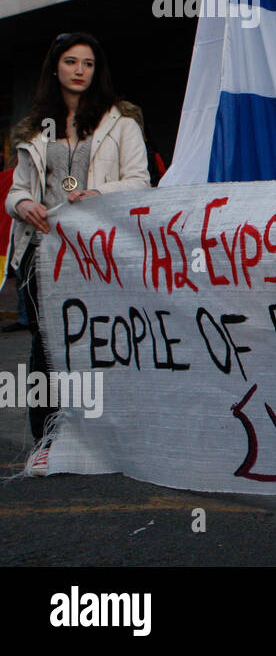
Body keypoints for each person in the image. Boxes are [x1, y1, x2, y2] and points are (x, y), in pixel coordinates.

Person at [4, 32, 150, 469]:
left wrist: (97, 192)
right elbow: (15, 192)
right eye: (71, 62)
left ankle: (106, 437)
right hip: (41, 251)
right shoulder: (34, 130)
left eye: (87, 63)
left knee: (100, 339)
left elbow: (140, 182)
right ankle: (47, 438)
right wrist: (23, 203)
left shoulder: (121, 122)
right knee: (45, 347)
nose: (79, 70)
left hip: (95, 251)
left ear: (96, 70)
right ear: (56, 68)